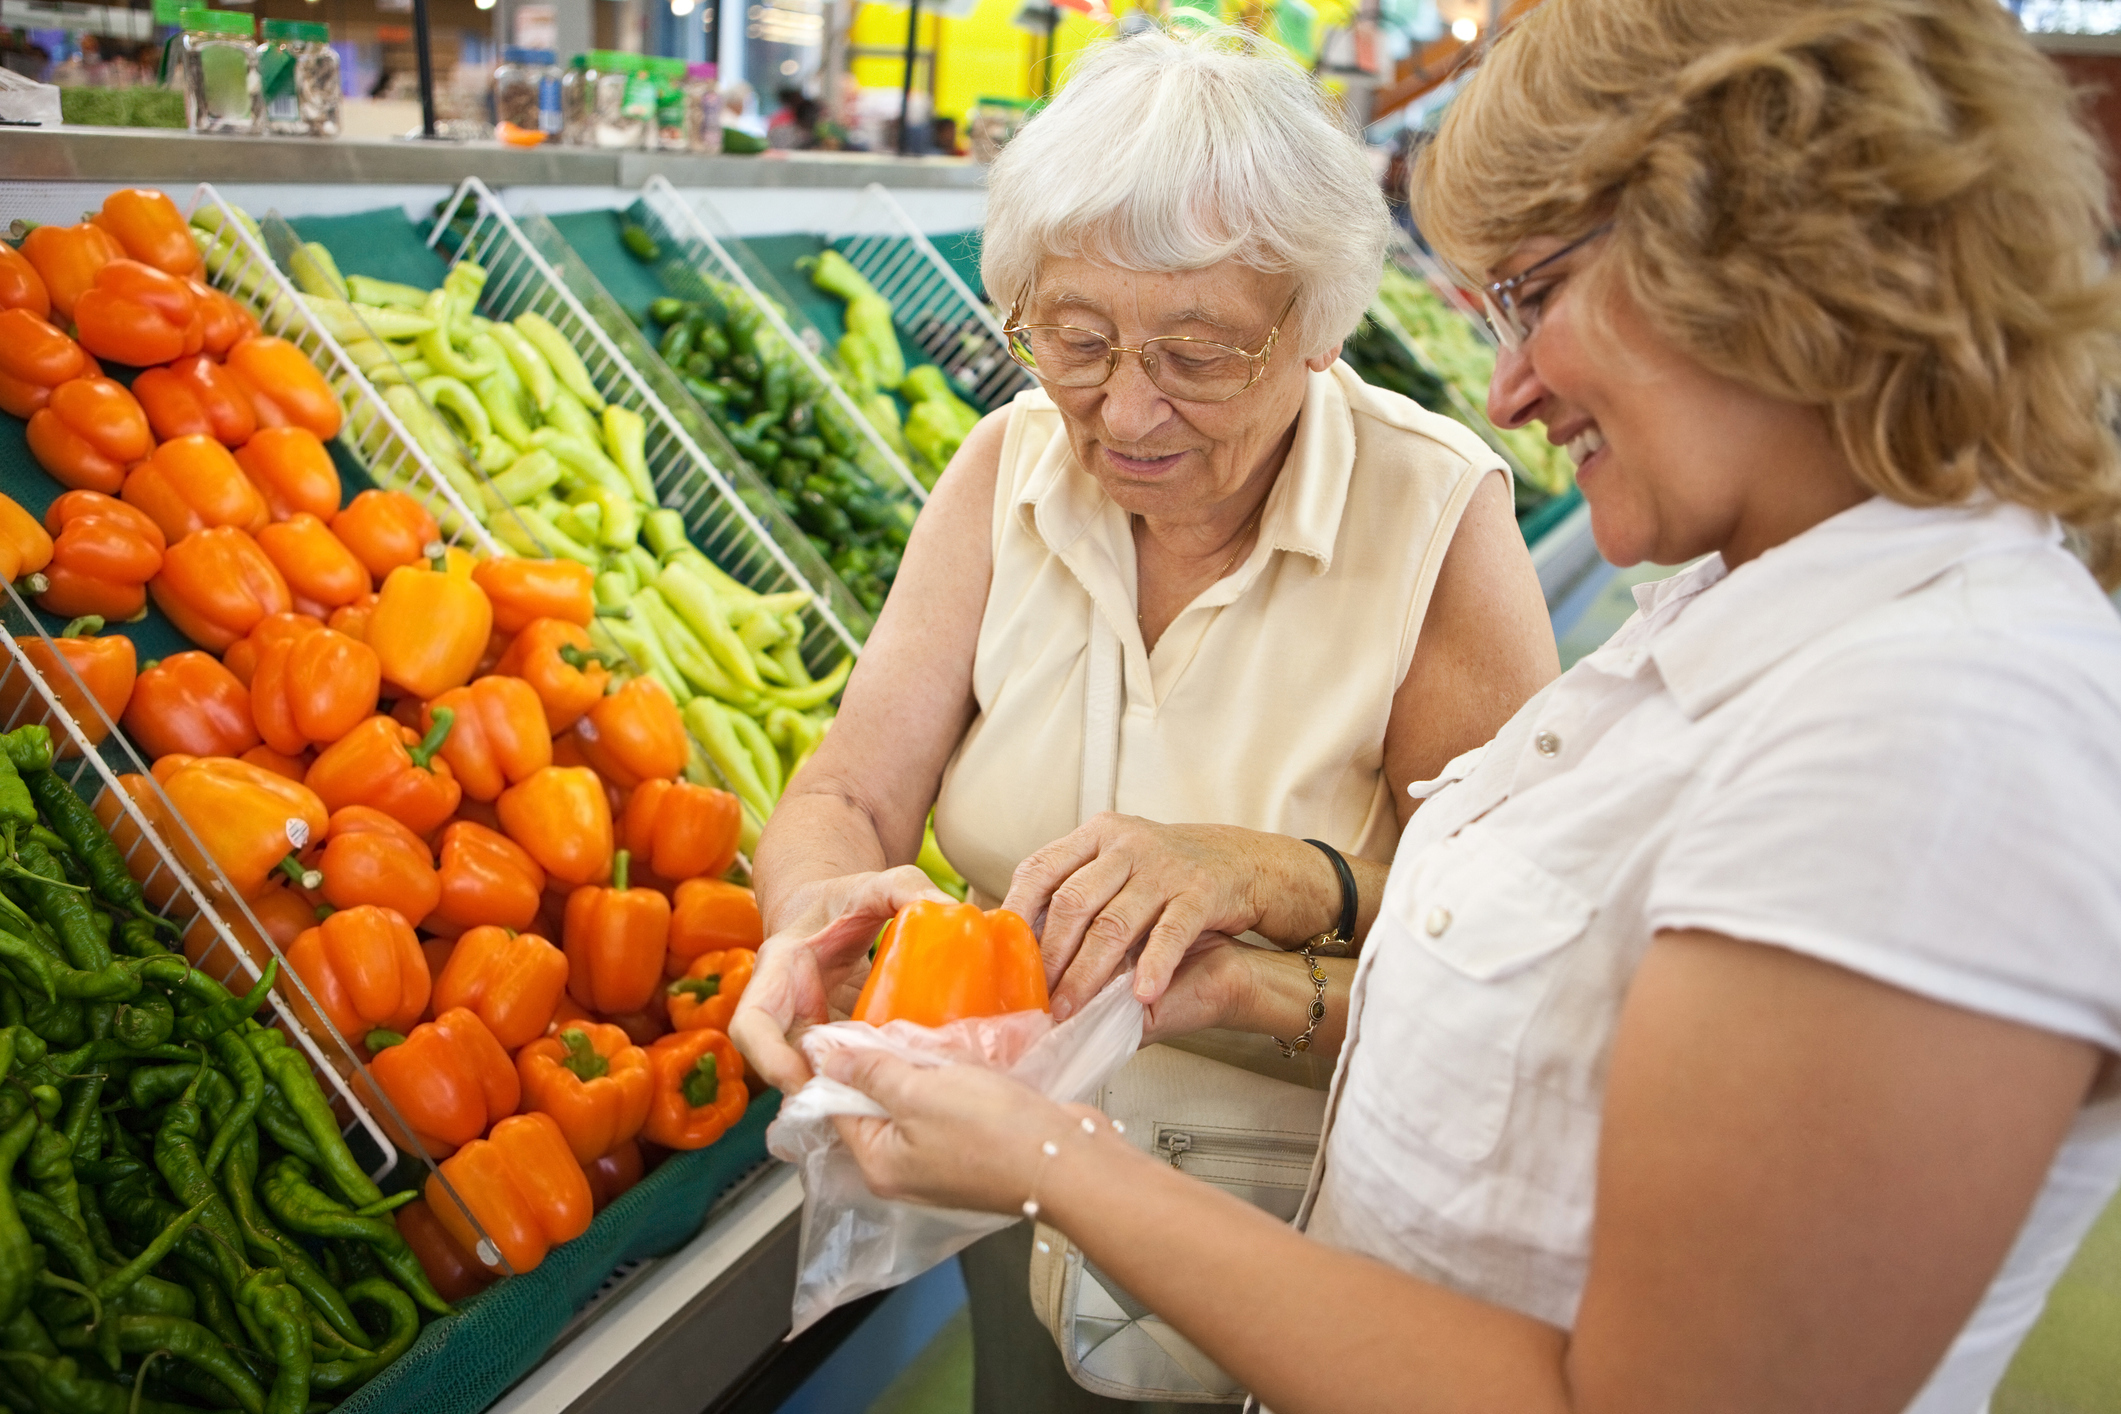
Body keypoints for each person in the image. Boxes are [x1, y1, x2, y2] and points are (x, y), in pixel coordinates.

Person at [772, 2, 2121, 1412]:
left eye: (1534, 291)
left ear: (1760, 260)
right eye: (1075, 338)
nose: (1508, 385)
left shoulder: (1938, 733)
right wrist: (1243, 984)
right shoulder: (1746, 627)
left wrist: (1056, 1157)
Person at [732, 25, 1557, 1413]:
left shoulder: (1432, 516)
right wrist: (811, 910)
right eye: (1073, 338)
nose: (1122, 407)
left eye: (1199, 353)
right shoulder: (1003, 469)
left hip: (1310, 1242)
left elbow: (1521, 960)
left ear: (1316, 327)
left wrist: (1280, 888)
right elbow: (850, 796)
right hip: (1003, 1213)